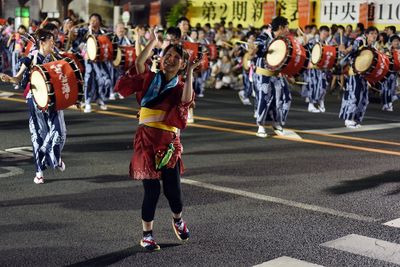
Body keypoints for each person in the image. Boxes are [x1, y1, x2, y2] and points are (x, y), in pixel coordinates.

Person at [129, 27, 200, 251]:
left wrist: (189, 73)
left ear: (181, 65)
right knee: (151, 191)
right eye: (167, 55)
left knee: (173, 192)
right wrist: (153, 41)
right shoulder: (151, 79)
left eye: (176, 58)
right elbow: (140, 64)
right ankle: (147, 235)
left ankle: (177, 219)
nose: (170, 59)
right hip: (146, 141)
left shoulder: (180, 86)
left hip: (168, 144)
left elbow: (186, 101)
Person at [0, 29, 66, 184]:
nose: (53, 43)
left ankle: (53, 155)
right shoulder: (31, 57)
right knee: (38, 135)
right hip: (35, 101)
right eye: (51, 40)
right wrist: (9, 78)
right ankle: (39, 171)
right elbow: (17, 79)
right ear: (42, 42)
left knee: (59, 132)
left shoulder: (56, 56)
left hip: (54, 101)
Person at [254, 16, 291, 138]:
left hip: (277, 73)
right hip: (263, 73)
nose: (288, 30)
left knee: (285, 97)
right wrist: (259, 49)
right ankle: (260, 125)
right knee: (264, 98)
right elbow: (257, 51)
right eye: (286, 27)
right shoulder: (264, 37)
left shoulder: (283, 40)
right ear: (280, 27)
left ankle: (277, 123)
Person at [338, 26, 379, 128]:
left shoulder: (373, 47)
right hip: (355, 73)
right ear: (366, 34)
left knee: (364, 98)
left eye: (375, 34)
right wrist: (343, 49)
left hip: (364, 74)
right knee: (355, 95)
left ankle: (356, 119)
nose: (374, 36)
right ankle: (348, 119)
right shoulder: (360, 41)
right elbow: (347, 51)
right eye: (372, 33)